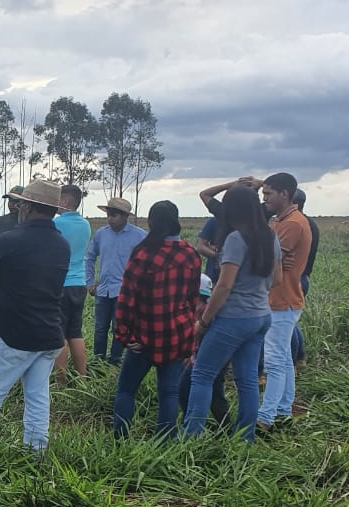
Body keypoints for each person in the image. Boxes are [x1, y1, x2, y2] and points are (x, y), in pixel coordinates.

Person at [0, 178, 69, 452]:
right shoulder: (62, 245)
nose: (18, 208)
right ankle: (35, 453)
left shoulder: (9, 240)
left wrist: (6, 281)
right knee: (37, 397)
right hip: (50, 335)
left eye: (21, 203)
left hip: (14, 333)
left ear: (29, 207)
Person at [181, 186, 280, 442]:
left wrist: (203, 321)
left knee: (202, 374)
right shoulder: (270, 236)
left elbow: (224, 286)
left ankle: (191, 437)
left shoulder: (237, 239)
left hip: (234, 319)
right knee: (247, 380)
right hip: (261, 316)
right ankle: (245, 438)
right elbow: (277, 278)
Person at [110, 201, 202, 439]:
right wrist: (190, 340)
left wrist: (123, 335)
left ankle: (120, 440)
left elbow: (127, 298)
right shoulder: (190, 253)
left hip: (143, 336)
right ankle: (165, 443)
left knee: (127, 390)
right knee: (169, 393)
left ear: (151, 222)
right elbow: (193, 300)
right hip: (176, 336)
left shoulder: (143, 253)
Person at [257, 172, 312, 431]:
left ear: (285, 194)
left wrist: (272, 258)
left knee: (275, 361)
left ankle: (265, 417)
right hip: (283, 299)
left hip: (282, 300)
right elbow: (271, 254)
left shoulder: (292, 224)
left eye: (268, 194)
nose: (264, 198)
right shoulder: (282, 220)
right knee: (283, 360)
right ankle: (282, 410)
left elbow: (264, 256)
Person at [85, 197, 146, 365]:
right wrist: (89, 282)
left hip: (125, 293)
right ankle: (98, 364)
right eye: (108, 215)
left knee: (119, 330)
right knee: (100, 329)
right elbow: (89, 257)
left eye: (114, 215)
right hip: (103, 290)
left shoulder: (140, 236)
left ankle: (114, 364)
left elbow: (147, 264)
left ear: (125, 216)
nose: (110, 219)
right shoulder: (101, 234)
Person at [178, 274, 231, 429]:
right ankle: (225, 428)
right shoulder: (200, 307)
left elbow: (200, 338)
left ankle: (191, 427)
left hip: (208, 356)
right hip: (215, 356)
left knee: (185, 389)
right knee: (215, 393)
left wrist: (190, 357)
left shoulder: (205, 311)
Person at [52, 185, 91, 382]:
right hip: (79, 283)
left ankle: (61, 380)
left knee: (58, 333)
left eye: (58, 199)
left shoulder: (56, 224)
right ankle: (82, 377)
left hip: (60, 284)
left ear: (65, 202)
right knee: (75, 332)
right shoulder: (86, 225)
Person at [290, 189, 320, 365]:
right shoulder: (310, 223)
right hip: (304, 277)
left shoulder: (296, 224)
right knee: (291, 321)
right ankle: (300, 357)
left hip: (294, 279)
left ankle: (293, 361)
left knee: (284, 324)